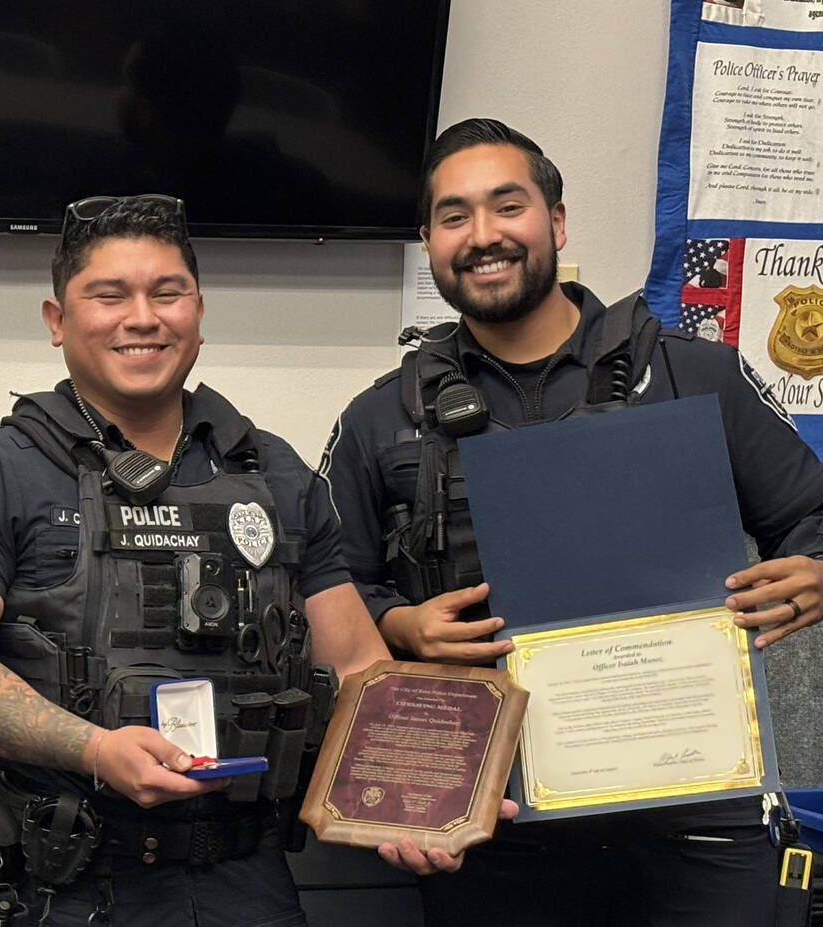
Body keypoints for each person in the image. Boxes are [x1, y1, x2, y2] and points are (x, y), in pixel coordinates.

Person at [321, 117, 823, 927]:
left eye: (506, 206)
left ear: (555, 221)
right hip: (491, 827)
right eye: (454, 216)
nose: (482, 235)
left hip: (696, 810)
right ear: (429, 242)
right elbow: (327, 585)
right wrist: (400, 621)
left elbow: (815, 515)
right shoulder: (383, 417)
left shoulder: (695, 374)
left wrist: (818, 572)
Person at [0, 194, 440, 927]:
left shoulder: (275, 473)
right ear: (57, 321)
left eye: (167, 292)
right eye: (108, 295)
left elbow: (358, 668)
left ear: (199, 311)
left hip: (247, 879)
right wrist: (93, 748)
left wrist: (424, 797)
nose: (142, 317)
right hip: (71, 883)